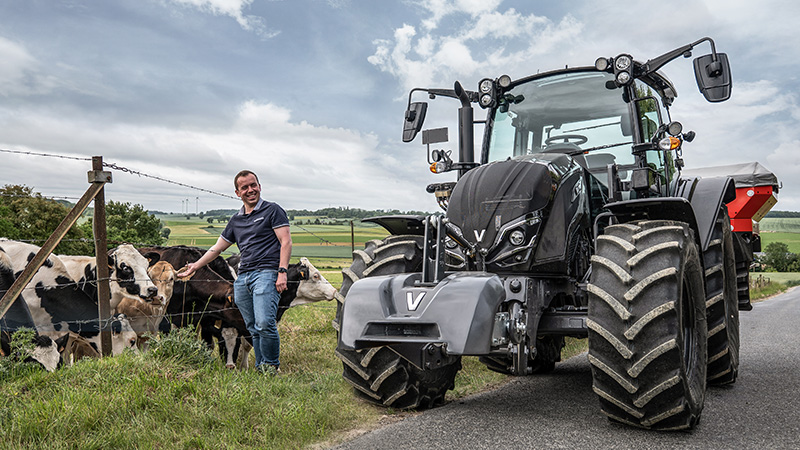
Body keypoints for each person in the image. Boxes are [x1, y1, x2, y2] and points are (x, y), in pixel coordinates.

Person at [177, 170, 291, 374]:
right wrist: (195, 266)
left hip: (266, 273)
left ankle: (271, 367)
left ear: (260, 186)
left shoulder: (273, 210)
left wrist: (282, 271)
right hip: (243, 278)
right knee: (252, 326)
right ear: (238, 193)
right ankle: (262, 368)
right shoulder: (236, 220)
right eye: (244, 187)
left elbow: (286, 241)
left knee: (265, 323)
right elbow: (217, 248)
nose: (250, 190)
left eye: (253, 185)